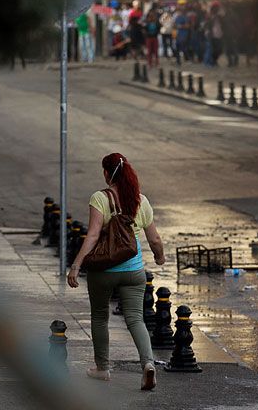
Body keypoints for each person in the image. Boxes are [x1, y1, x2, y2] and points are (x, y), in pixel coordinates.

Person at [68, 153, 165, 390]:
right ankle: (148, 364)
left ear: (106, 173)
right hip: (133, 270)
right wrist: (160, 256)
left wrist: (76, 264)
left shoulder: (100, 198)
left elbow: (92, 235)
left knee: (100, 317)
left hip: (103, 270)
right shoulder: (140, 200)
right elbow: (154, 238)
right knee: (135, 319)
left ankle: (102, 369)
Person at [174, 0, 190, 65]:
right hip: (178, 34)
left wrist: (180, 26)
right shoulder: (176, 17)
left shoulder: (184, 17)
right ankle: (178, 61)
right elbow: (174, 25)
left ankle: (187, 59)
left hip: (183, 34)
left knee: (183, 47)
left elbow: (187, 26)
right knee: (177, 47)